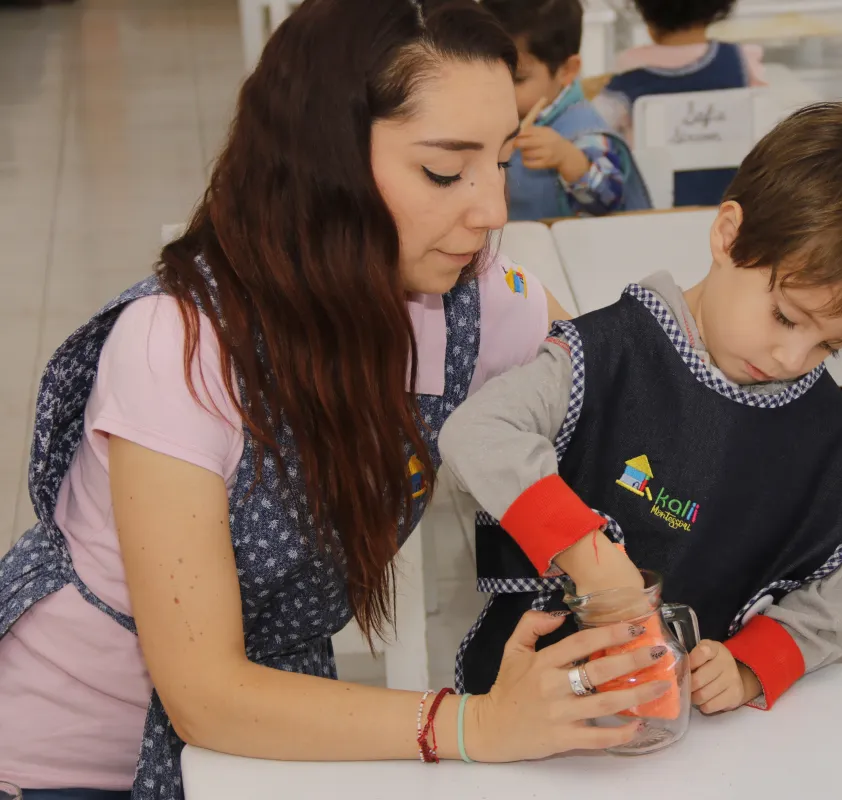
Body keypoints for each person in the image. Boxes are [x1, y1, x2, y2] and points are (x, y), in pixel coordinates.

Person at [0, 1, 676, 797]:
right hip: (69, 758)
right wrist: (474, 724)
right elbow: (207, 697)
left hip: (273, 741)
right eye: (443, 170)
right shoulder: (177, 346)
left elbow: (631, 395)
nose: (491, 211)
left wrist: (838, 457)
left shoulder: (465, 292)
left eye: (499, 160)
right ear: (326, 162)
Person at [440, 103, 842, 713]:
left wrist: (746, 669)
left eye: (828, 344)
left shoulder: (828, 444)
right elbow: (477, 431)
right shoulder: (611, 354)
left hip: (687, 728)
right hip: (532, 694)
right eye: (786, 316)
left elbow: (832, 608)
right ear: (728, 234)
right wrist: (590, 556)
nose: (792, 355)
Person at [480, 0, 651, 220]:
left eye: (517, 79)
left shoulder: (585, 132)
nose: (496, 91)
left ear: (567, 70)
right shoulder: (489, 117)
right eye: (486, 75)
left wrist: (570, 160)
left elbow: (609, 199)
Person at [592, 0, 767, 206]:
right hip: (733, 200)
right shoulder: (740, 60)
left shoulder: (630, 69)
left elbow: (598, 124)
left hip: (654, 204)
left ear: (645, 14)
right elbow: (763, 115)